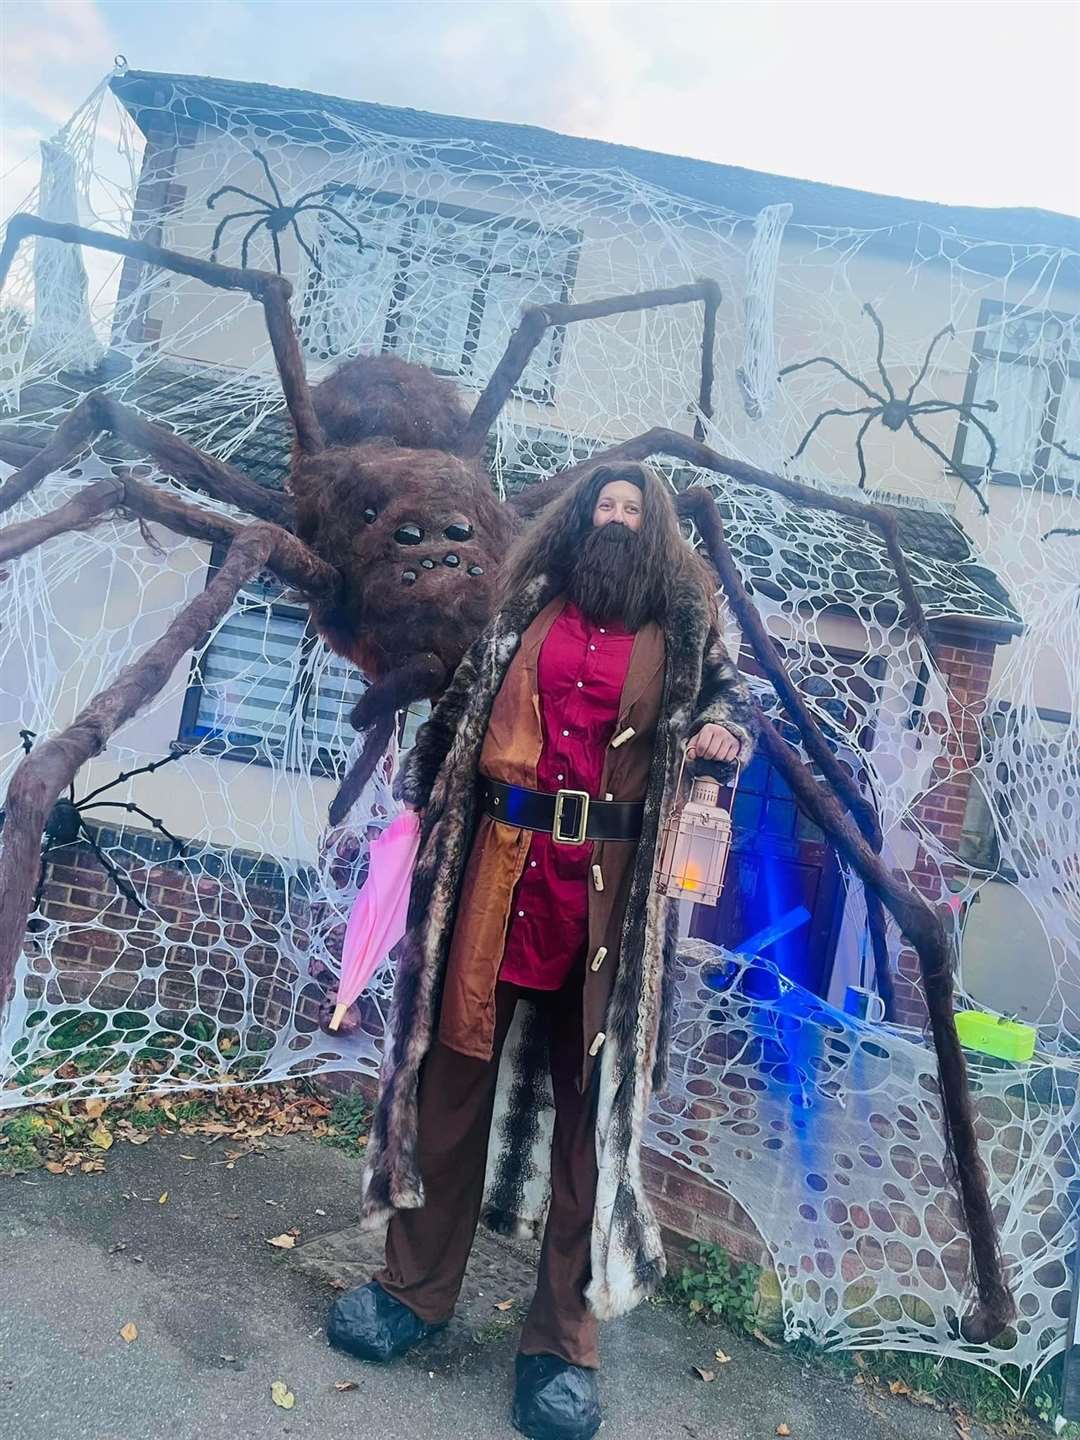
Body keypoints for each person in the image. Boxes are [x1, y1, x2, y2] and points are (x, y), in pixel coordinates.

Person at [328, 463, 758, 1440]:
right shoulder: (523, 609)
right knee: (448, 1089)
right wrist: (409, 813)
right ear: (576, 523)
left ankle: (561, 1347)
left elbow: (731, 706)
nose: (614, 521)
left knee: (590, 1125)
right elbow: (458, 718)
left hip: (608, 899)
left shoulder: (684, 633)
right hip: (498, 872)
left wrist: (722, 737)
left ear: (653, 537)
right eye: (603, 507)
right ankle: (412, 1291)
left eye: (632, 513)